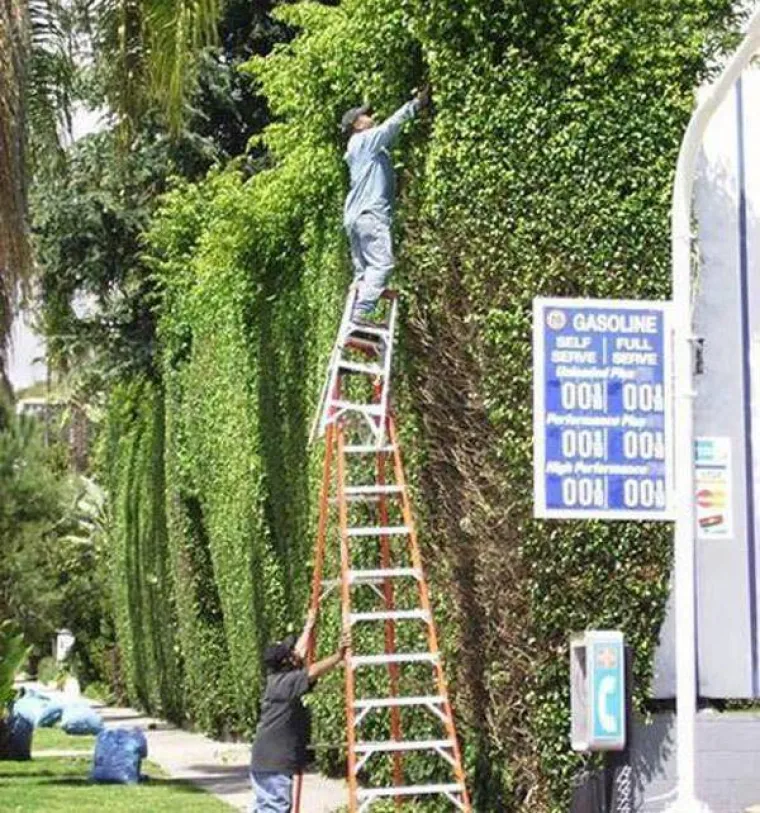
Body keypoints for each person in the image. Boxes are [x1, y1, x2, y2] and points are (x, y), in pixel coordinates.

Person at [341, 86, 431, 323]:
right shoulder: (364, 140)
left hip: (355, 217)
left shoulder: (359, 149)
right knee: (382, 264)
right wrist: (416, 104)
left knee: (363, 273)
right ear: (357, 125)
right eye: (365, 115)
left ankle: (354, 318)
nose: (370, 116)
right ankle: (361, 315)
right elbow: (391, 127)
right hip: (370, 214)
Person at [249, 609, 350, 812]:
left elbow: (299, 653)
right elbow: (313, 671)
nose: (296, 654)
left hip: (265, 761)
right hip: (274, 763)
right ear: (286, 662)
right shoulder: (286, 683)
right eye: (291, 654)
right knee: (275, 808)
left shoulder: (279, 680)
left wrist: (309, 626)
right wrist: (338, 656)